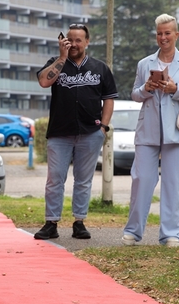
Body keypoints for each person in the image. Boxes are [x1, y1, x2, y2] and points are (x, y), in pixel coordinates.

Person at [121, 14, 179, 247]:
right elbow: (135, 94)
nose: (163, 37)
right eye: (159, 33)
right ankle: (133, 231)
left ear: (176, 35)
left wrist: (176, 89)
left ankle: (171, 234)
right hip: (147, 132)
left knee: (173, 184)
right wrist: (146, 88)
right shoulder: (144, 63)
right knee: (142, 180)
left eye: (167, 33)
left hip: (176, 132)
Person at [34, 24, 119, 240]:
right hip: (59, 133)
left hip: (90, 132)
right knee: (55, 179)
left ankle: (79, 222)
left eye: (78, 40)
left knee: (83, 180)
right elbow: (44, 81)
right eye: (70, 39)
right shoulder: (55, 63)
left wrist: (104, 127)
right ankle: (51, 222)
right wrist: (61, 58)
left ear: (87, 42)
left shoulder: (100, 68)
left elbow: (109, 98)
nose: (74, 43)